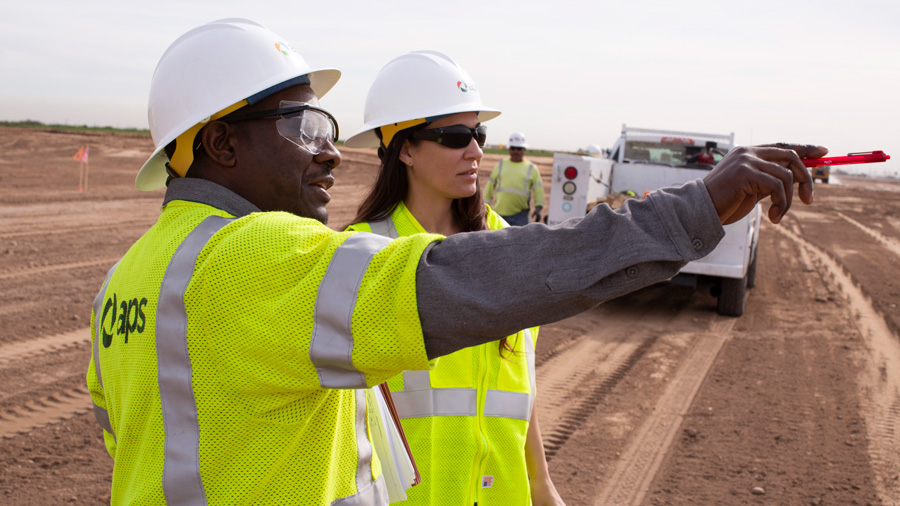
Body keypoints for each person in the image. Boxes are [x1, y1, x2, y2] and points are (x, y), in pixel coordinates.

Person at [86, 18, 825, 506]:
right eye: (303, 124)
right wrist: (696, 208)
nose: (327, 149)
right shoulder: (255, 257)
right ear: (220, 145)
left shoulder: (129, 283)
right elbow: (459, 280)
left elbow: (138, 438)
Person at [342, 50, 563, 505]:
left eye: (478, 133)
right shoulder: (360, 255)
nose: (476, 150)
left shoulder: (509, 244)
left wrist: (542, 486)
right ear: (404, 148)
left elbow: (521, 382)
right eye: (455, 136)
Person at [483, 132, 545, 225]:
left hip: (521, 216)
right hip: (499, 215)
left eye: (519, 148)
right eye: (513, 148)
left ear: (524, 149)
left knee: (522, 240)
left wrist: (538, 208)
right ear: (509, 149)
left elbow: (538, 190)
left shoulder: (531, 168)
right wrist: (483, 207)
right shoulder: (500, 165)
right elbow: (489, 187)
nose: (516, 151)